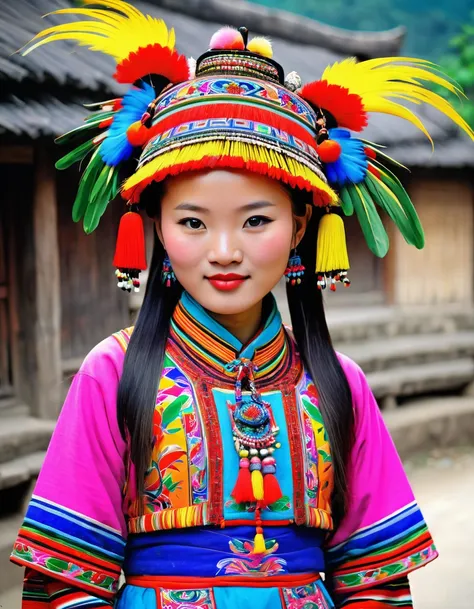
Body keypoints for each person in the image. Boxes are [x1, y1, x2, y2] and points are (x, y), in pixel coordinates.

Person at [11, 1, 474, 607]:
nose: (224, 251)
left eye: (256, 220)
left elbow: (378, 585)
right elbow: (61, 586)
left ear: (303, 222)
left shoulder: (340, 385)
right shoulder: (113, 376)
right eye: (192, 222)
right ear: (154, 223)